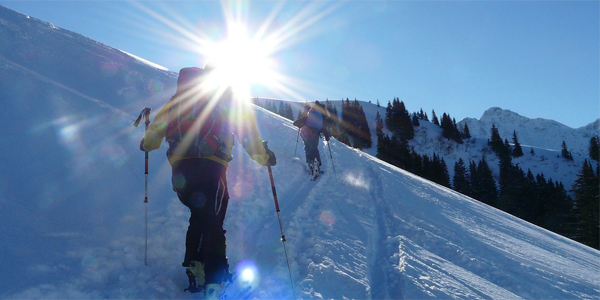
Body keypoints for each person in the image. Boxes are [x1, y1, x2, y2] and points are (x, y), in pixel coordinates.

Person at [140, 66, 276, 299]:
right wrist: (263, 157)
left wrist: (147, 142)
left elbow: (152, 139)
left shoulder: (178, 100)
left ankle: (196, 266)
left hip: (180, 171)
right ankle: (215, 278)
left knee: (199, 215)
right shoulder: (226, 100)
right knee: (213, 221)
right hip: (211, 167)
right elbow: (247, 133)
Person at [293, 100, 330, 175]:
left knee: (307, 148)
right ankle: (317, 164)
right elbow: (324, 129)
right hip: (314, 134)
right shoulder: (321, 117)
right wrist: (327, 137)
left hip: (305, 133)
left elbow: (295, 123)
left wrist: (300, 125)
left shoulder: (309, 114)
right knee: (314, 149)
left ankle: (310, 164)